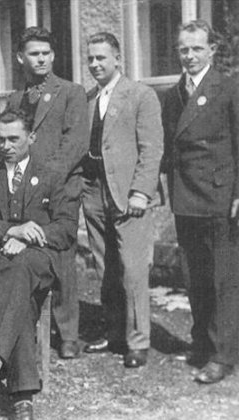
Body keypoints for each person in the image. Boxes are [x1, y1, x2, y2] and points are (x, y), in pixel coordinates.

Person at [0, 110, 81, 420]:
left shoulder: (53, 177)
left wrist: (29, 239)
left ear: (32, 137)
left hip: (36, 258)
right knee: (19, 292)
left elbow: (66, 227)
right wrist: (12, 230)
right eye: (1, 140)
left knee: (21, 269)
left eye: (13, 139)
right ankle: (22, 396)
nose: (6, 146)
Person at [161, 20, 239, 384]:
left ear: (212, 50)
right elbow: (170, 148)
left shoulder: (228, 88)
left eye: (196, 48)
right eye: (183, 49)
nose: (189, 55)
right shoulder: (174, 94)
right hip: (186, 196)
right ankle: (203, 343)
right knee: (195, 278)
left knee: (224, 279)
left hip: (219, 197)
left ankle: (223, 355)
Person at [5, 27, 89, 359]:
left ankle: (68, 334)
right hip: (24, 187)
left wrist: (42, 180)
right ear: (20, 58)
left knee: (62, 253)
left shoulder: (71, 92)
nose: (41, 59)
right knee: (29, 250)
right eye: (34, 53)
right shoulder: (15, 99)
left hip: (61, 186)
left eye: (46, 53)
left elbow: (75, 144)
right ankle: (31, 325)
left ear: (53, 56)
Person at [81, 33, 163, 368]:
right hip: (94, 192)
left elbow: (152, 148)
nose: (95, 64)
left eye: (101, 58)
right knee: (105, 268)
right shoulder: (88, 98)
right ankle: (114, 332)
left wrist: (141, 191)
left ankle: (138, 341)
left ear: (118, 58)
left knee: (133, 269)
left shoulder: (141, 95)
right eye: (90, 58)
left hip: (129, 194)